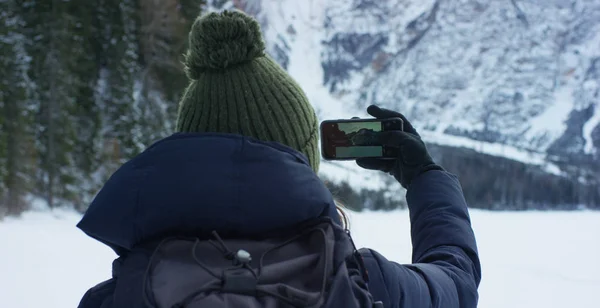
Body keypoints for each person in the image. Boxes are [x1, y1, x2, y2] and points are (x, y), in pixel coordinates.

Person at [76, 10, 481, 308]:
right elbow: (456, 282)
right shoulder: (365, 283)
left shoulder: (116, 296)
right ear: (301, 162)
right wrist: (425, 177)